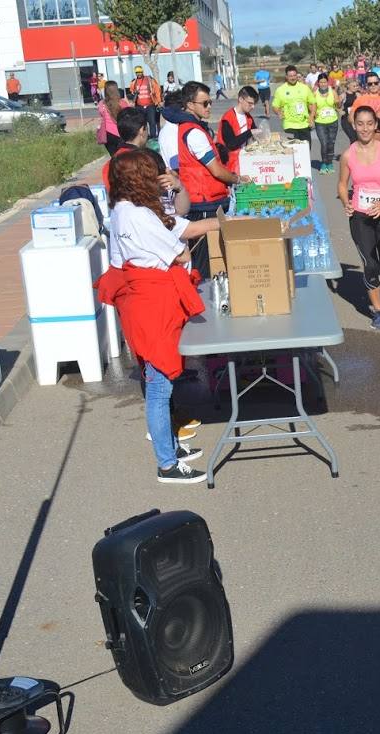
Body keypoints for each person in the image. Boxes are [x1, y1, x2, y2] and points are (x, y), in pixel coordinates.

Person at [99, 149, 220, 483]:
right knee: (159, 382)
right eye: (152, 172)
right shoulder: (137, 216)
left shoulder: (125, 211)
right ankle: (167, 463)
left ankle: (171, 448)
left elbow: (180, 227)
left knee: (158, 375)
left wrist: (223, 222)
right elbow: (179, 252)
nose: (157, 177)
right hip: (152, 302)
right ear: (140, 178)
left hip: (144, 300)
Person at [340, 105, 380, 330]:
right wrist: (346, 202)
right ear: (354, 125)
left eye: (369, 123)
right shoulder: (348, 154)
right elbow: (342, 184)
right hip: (361, 215)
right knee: (370, 263)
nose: (365, 128)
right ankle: (378, 310)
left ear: (375, 125)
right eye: (360, 124)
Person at [174, 81, 240, 278]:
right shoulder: (194, 133)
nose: (209, 106)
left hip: (204, 198)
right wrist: (236, 179)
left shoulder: (190, 127)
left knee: (211, 259)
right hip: (204, 203)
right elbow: (217, 171)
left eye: (210, 102)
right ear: (190, 104)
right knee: (206, 263)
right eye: (205, 103)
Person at [103, 107, 190, 218]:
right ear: (141, 130)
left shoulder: (110, 164)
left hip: (121, 218)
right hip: (151, 216)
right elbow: (165, 191)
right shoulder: (147, 159)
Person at [218, 86, 259, 177]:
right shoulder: (227, 118)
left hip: (246, 160)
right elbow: (231, 144)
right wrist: (250, 132)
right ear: (240, 99)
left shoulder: (248, 117)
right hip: (231, 165)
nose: (253, 107)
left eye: (254, 104)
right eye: (250, 103)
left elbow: (254, 133)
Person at [272, 65, 314, 143]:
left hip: (304, 125)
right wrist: (279, 112)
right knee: (293, 151)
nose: (293, 78)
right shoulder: (280, 90)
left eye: (294, 75)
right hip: (289, 125)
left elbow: (312, 103)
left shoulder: (304, 88)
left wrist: (311, 117)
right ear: (286, 77)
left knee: (306, 151)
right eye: (290, 76)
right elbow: (275, 106)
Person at [310, 74, 341, 172]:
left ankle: (330, 163)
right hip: (320, 122)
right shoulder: (314, 93)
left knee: (331, 143)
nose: (323, 84)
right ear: (318, 83)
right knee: (324, 143)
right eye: (321, 82)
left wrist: (338, 101)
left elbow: (338, 105)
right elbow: (311, 106)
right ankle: (324, 163)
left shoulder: (333, 92)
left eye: (325, 82)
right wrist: (312, 116)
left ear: (328, 82)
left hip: (333, 121)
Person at [128, 66, 162, 138]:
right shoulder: (134, 82)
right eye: (137, 72)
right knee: (143, 123)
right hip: (139, 106)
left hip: (150, 105)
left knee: (152, 122)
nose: (139, 74)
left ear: (142, 72)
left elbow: (157, 90)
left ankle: (153, 137)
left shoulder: (149, 80)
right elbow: (131, 91)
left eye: (140, 72)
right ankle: (145, 137)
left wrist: (159, 101)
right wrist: (134, 92)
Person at [96, 81, 123, 155]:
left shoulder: (102, 103)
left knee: (114, 157)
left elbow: (101, 113)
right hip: (121, 133)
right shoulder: (122, 103)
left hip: (108, 134)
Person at [339, 79, 360, 143]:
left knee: (357, 138)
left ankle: (355, 152)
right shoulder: (343, 95)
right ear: (348, 86)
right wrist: (339, 110)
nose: (356, 87)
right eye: (354, 86)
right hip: (346, 119)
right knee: (353, 138)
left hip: (356, 119)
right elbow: (335, 105)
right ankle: (353, 152)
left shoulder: (358, 95)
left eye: (357, 86)